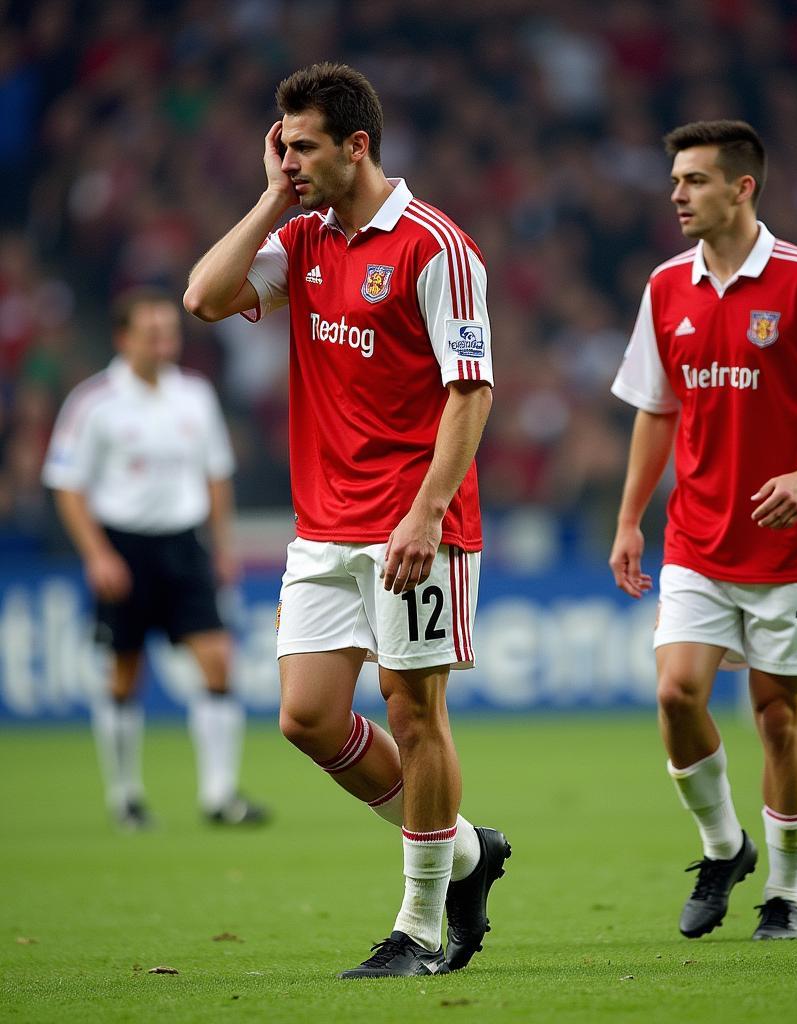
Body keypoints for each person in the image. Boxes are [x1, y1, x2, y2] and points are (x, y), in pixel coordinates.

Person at [182, 61, 509, 979]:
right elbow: (204, 298)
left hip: (413, 526)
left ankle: (419, 922)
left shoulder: (435, 247)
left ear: (356, 145)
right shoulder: (304, 242)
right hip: (323, 528)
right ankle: (469, 857)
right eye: (280, 147)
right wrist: (264, 198)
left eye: (303, 148)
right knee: (307, 719)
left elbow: (470, 389)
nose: (290, 163)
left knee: (414, 712)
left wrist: (428, 512)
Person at [609, 120, 797, 941]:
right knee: (674, 692)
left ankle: (787, 892)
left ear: (743, 188)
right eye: (674, 180)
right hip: (697, 537)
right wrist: (630, 518)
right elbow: (656, 410)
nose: (676, 194)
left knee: (777, 718)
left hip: (795, 548)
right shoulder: (665, 287)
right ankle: (722, 845)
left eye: (694, 180)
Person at [42, 287, 267, 829]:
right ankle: (126, 796)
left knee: (217, 662)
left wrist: (222, 547)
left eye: (170, 332)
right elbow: (67, 485)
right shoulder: (93, 402)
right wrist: (98, 555)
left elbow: (216, 476)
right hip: (124, 546)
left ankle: (220, 795)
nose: (165, 343)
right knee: (124, 673)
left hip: (185, 545)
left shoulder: (194, 395)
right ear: (124, 339)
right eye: (152, 334)